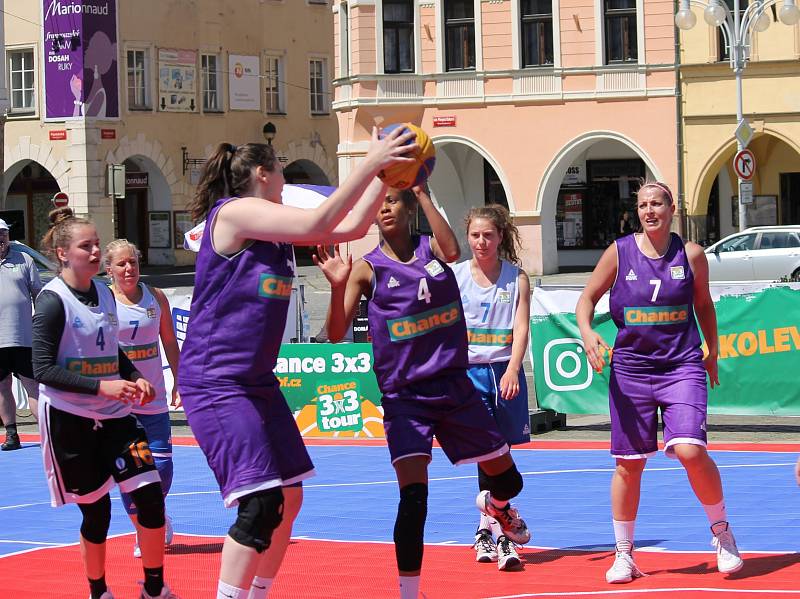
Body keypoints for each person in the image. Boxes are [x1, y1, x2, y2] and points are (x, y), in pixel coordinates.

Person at [177, 129, 417, 599]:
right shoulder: (233, 212)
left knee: (289, 496)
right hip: (216, 380)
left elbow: (346, 227)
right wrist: (370, 161)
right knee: (260, 504)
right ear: (263, 174)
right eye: (281, 168)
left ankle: (259, 592)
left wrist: (384, 174)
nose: (286, 176)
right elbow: (318, 225)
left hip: (256, 381)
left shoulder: (273, 227)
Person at [315, 185, 530, 599]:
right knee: (413, 500)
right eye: (379, 205)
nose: (385, 209)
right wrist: (339, 286)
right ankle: (409, 593)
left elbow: (452, 250)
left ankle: (496, 507)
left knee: (511, 482)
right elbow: (336, 333)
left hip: (454, 388)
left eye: (393, 201)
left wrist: (424, 190)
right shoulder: (367, 269)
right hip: (405, 400)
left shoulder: (432, 250)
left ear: (410, 207)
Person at [575, 181, 743, 584]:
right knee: (629, 464)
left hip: (681, 365)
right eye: (644, 205)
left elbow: (702, 303)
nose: (650, 211)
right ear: (638, 211)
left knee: (688, 449)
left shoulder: (691, 255)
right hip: (631, 369)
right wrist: (587, 332)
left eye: (657, 204)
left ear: (672, 209)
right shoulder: (619, 252)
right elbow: (586, 298)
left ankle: (722, 532)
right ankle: (624, 555)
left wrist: (712, 351)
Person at [32, 208, 178, 599]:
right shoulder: (52, 302)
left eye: (98, 244)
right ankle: (98, 591)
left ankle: (154, 588)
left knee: (150, 497)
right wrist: (102, 389)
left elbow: (114, 351)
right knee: (96, 514)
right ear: (63, 253)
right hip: (71, 419)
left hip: (116, 416)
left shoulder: (104, 295)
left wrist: (132, 378)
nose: (96, 250)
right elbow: (42, 369)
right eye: (87, 246)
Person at [451, 204, 531, 571]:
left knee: (503, 451)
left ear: (501, 237)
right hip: (469, 372)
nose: (481, 242)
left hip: (503, 371)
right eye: (475, 235)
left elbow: (521, 328)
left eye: (488, 235)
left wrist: (514, 368)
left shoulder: (516, 279)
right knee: (488, 452)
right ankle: (500, 533)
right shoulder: (455, 277)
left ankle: (488, 528)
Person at [105, 239, 181, 558]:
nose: (128, 269)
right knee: (130, 471)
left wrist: (181, 378)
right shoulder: (104, 301)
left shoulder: (156, 297)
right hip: (120, 402)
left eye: (133, 262)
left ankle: (157, 513)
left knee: (161, 466)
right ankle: (143, 531)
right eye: (121, 264)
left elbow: (169, 341)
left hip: (154, 398)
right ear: (108, 269)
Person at [0, 218, 42, 450]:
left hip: (23, 337)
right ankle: (12, 435)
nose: (0, 238)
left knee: (33, 386)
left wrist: (41, 322)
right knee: (2, 386)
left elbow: (39, 294)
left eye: (3, 233)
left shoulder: (24, 259)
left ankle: (46, 433)